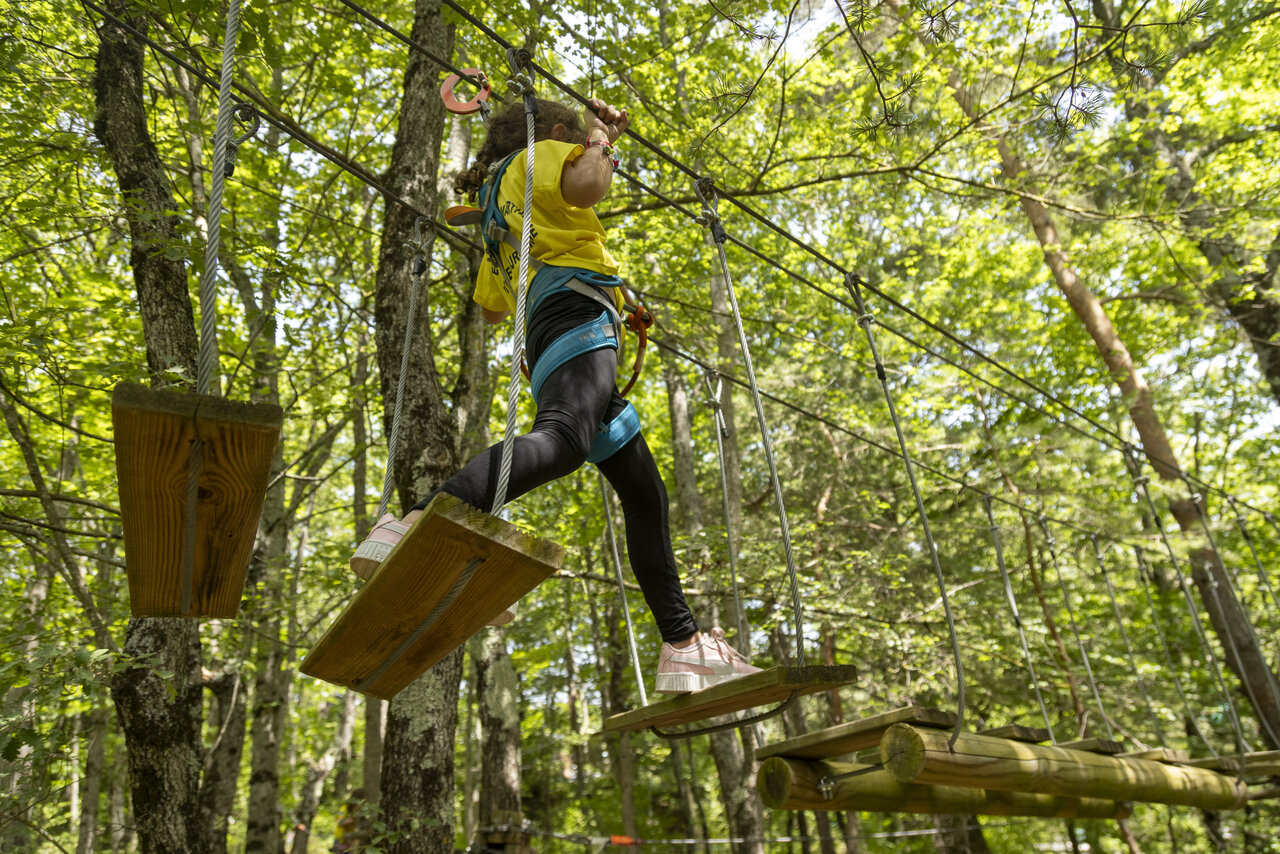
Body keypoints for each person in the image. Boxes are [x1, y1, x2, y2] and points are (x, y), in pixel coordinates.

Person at [352, 96, 758, 694]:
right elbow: (590, 186)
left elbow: (492, 309)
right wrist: (600, 142)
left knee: (646, 491)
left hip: (548, 337)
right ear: (558, 132)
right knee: (565, 442)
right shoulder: (544, 152)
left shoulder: (497, 211)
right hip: (576, 317)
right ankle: (414, 522)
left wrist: (528, 226)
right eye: (573, 138)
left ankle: (684, 644)